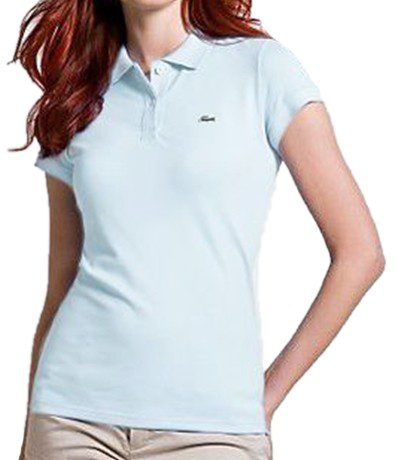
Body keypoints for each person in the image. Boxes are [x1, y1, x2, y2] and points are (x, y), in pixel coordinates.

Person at [13, 0, 385, 458]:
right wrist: (30, 430)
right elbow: (62, 283)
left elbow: (360, 253)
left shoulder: (262, 69)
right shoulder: (76, 93)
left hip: (213, 430)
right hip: (71, 420)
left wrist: (266, 398)